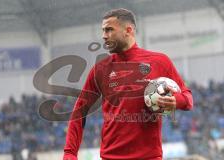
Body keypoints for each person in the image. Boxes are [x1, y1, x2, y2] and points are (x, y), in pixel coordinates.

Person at [63, 8, 193, 160]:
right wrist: (69, 153)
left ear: (128, 30)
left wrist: (176, 101)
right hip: (111, 157)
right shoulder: (100, 69)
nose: (104, 36)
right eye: (103, 31)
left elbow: (188, 98)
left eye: (109, 30)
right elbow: (79, 111)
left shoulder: (159, 61)